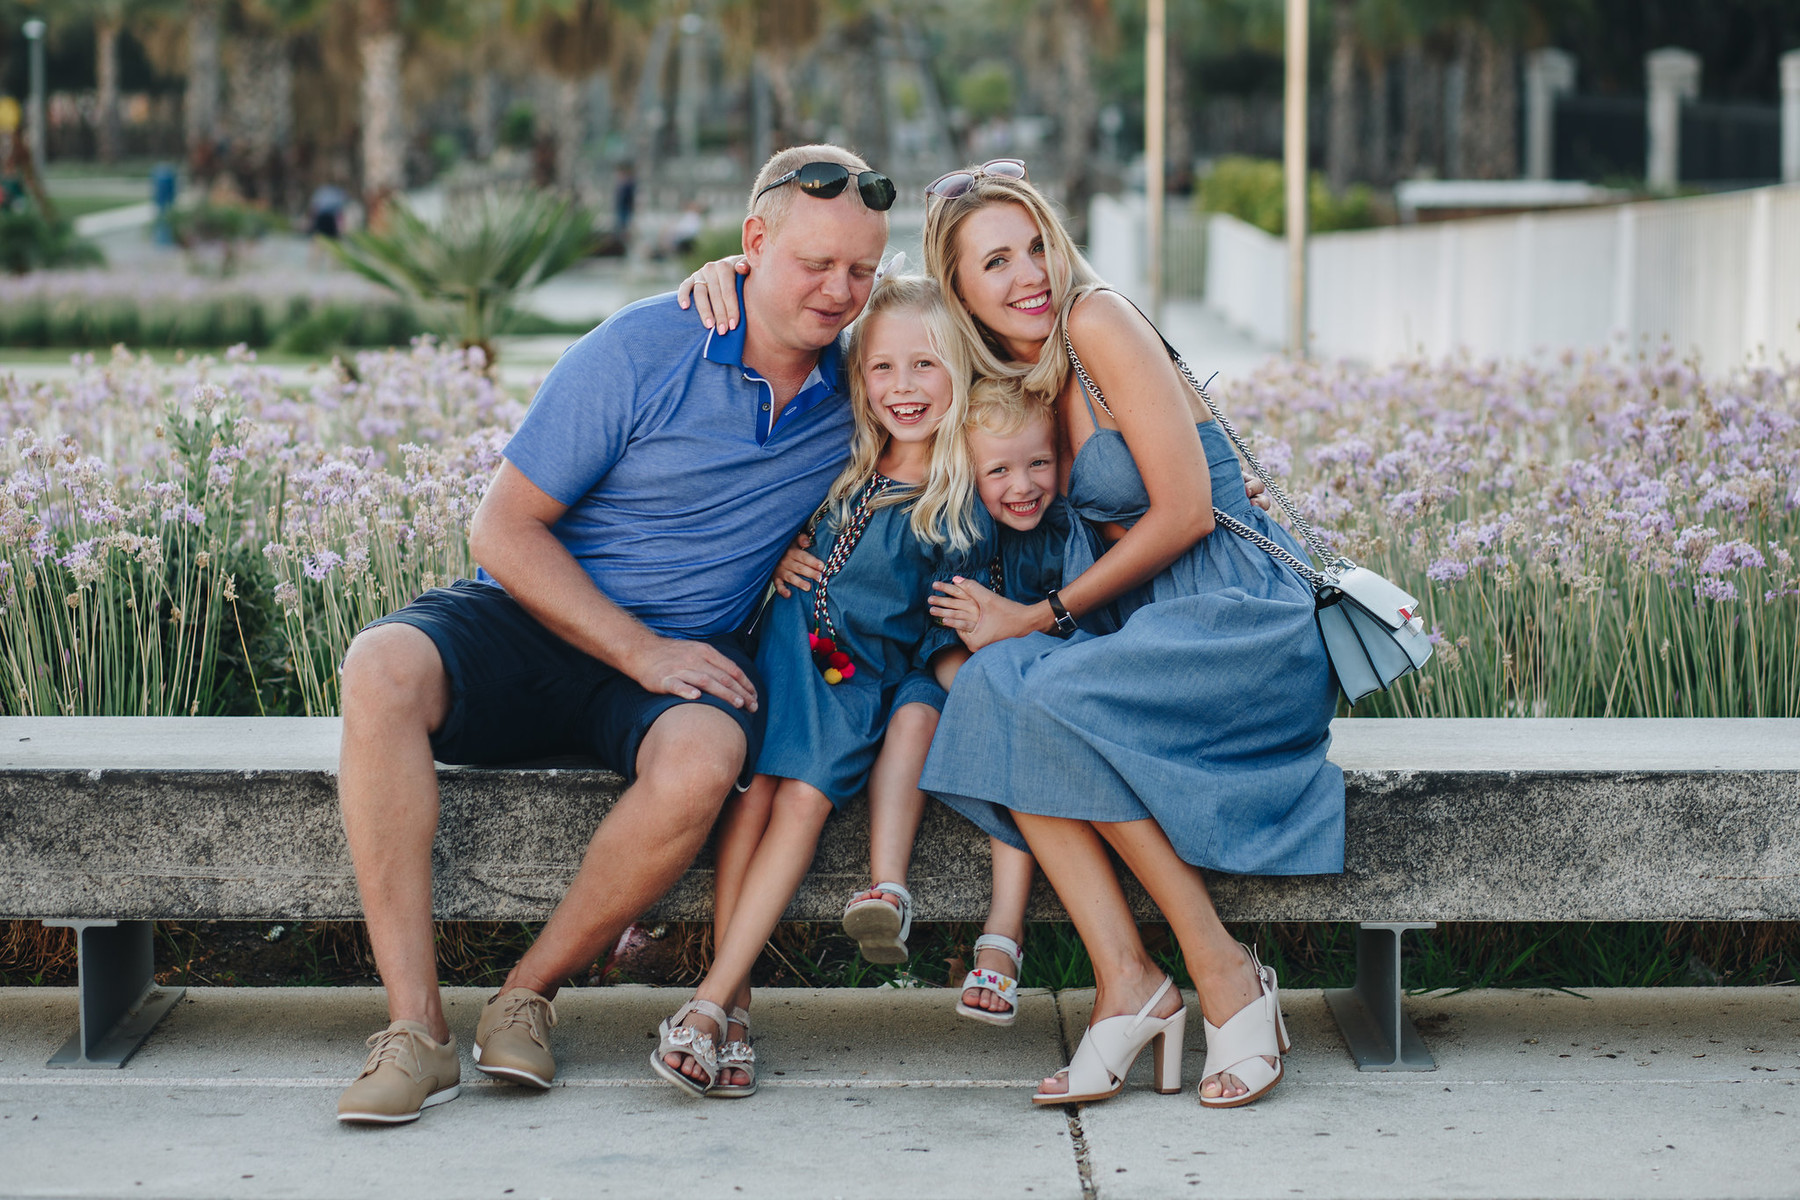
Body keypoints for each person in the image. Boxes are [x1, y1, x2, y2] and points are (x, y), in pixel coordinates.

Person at [677, 161, 1339, 1110]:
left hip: (1235, 619)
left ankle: (1223, 969)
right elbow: (851, 351)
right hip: (1147, 627)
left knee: (1044, 688)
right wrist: (724, 274)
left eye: (1035, 245)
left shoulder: (1095, 320)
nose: (1029, 274)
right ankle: (1129, 980)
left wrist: (1039, 618)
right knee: (991, 688)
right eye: (996, 262)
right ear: (960, 290)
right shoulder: (1006, 375)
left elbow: (1188, 510)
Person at [331, 143, 894, 1126]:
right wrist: (637, 648)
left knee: (707, 752)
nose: (839, 291)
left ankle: (527, 996)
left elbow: (985, 330)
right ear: (753, 242)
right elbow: (502, 529)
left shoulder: (869, 382)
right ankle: (413, 1031)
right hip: (538, 622)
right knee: (379, 669)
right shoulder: (643, 345)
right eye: (814, 264)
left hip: (668, 668)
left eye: (861, 270)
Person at [652, 273, 984, 1098]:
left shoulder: (953, 506)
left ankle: (705, 1005)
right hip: (780, 659)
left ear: (961, 374)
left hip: (847, 685)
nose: (902, 389)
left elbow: (944, 636)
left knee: (795, 803)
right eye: (882, 369)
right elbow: (786, 541)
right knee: (753, 798)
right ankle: (733, 1013)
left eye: (925, 367)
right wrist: (783, 565)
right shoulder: (845, 464)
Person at [829, 377, 1087, 1025]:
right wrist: (975, 692)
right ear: (970, 472)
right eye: (998, 469)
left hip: (1031, 694)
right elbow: (945, 640)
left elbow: (1079, 625)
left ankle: (1003, 937)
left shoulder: (1064, 536)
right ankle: (888, 888)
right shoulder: (964, 531)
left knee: (1021, 747)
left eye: (1038, 463)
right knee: (912, 715)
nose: (1021, 485)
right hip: (950, 681)